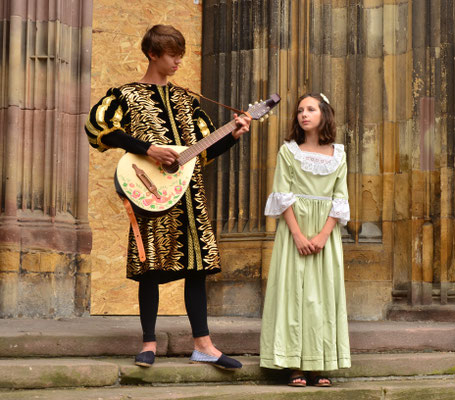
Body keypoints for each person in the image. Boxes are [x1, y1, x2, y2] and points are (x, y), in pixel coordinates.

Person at [84, 24, 251, 369]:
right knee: (150, 266)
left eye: (180, 55)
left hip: (189, 193)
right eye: (172, 55)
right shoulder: (126, 95)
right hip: (150, 192)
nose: (178, 62)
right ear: (153, 54)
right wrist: (147, 149)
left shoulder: (188, 100)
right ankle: (149, 343)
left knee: (197, 268)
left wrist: (234, 134)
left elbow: (203, 151)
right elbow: (98, 127)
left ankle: (203, 344)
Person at [260, 93, 351, 387]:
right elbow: (282, 194)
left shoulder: (339, 154)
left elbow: (340, 197)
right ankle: (294, 364)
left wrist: (324, 235)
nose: (304, 114)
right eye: (300, 110)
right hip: (294, 231)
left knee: (322, 296)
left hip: (325, 234)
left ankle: (320, 364)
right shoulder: (288, 152)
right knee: (293, 295)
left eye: (310, 109)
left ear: (324, 113)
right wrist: (298, 235)